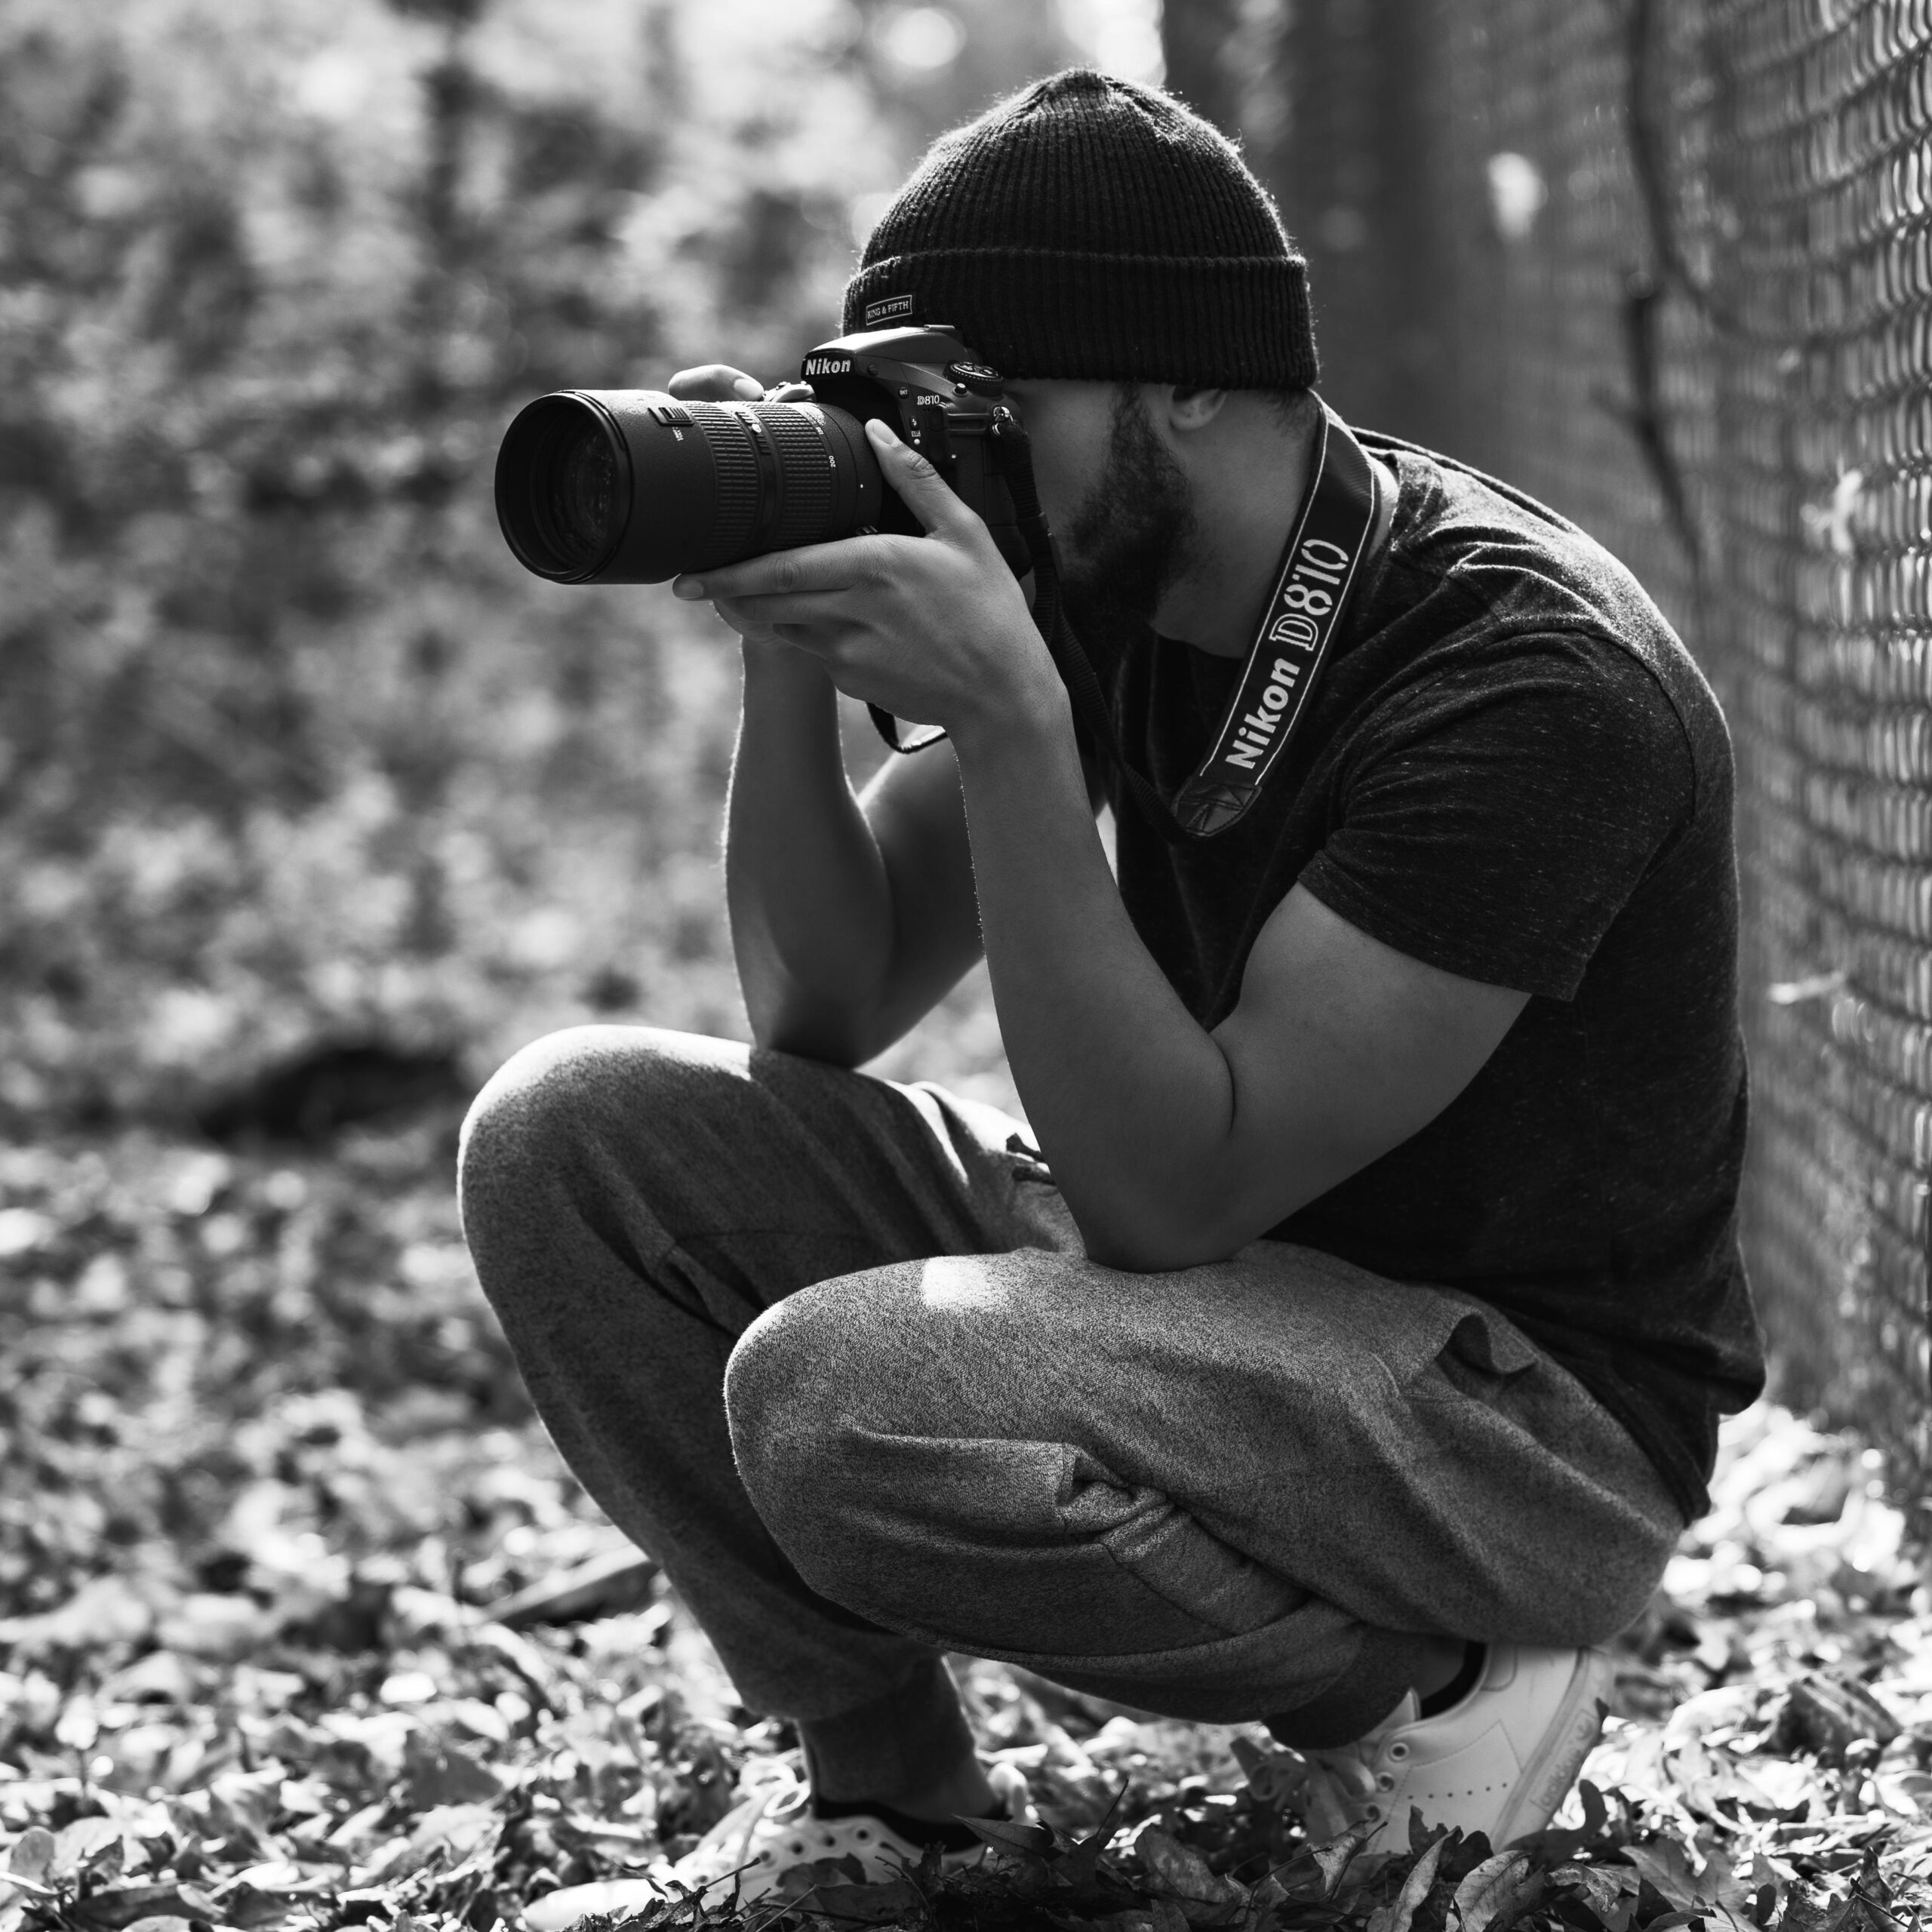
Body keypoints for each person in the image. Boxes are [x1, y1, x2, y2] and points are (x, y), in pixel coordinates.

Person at [460, 67, 1763, 1910]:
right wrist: (785, 636)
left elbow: (1171, 1190)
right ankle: (892, 1798)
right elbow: (818, 1008)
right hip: (1240, 1303)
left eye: (982, 415)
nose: (952, 471)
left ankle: (1449, 1673)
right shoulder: (1109, 561)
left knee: (844, 1395)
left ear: (1190, 375)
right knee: (570, 1132)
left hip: (1516, 1415)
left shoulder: (1520, 679)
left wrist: (1001, 713)